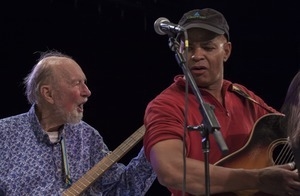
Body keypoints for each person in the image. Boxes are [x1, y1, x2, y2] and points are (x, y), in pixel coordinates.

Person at [143, 8, 300, 196]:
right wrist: (258, 179)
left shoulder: (244, 97)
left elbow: (290, 132)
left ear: (226, 51)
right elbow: (171, 171)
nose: (197, 55)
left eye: (208, 47)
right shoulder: (166, 105)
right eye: (189, 48)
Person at [0, 50, 156, 196]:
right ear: (48, 93)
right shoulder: (5, 134)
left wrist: (156, 144)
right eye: (76, 83)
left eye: (85, 82)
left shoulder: (87, 137)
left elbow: (122, 189)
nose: (87, 92)